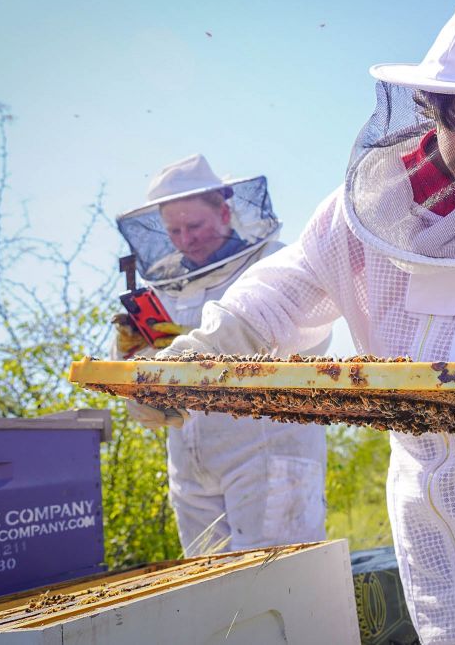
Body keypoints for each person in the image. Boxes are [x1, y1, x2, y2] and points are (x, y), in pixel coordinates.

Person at [161, 0, 455, 644]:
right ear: (431, 108)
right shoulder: (360, 214)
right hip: (422, 491)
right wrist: (209, 345)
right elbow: (286, 290)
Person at [112, 153, 331, 556]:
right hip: (189, 461)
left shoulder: (271, 263)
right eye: (173, 230)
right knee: (207, 594)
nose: (185, 239)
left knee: (276, 584)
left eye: (194, 225)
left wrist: (208, 348)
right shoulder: (168, 284)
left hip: (267, 450)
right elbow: (151, 370)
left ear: (225, 212)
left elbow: (310, 338)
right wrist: (132, 351)